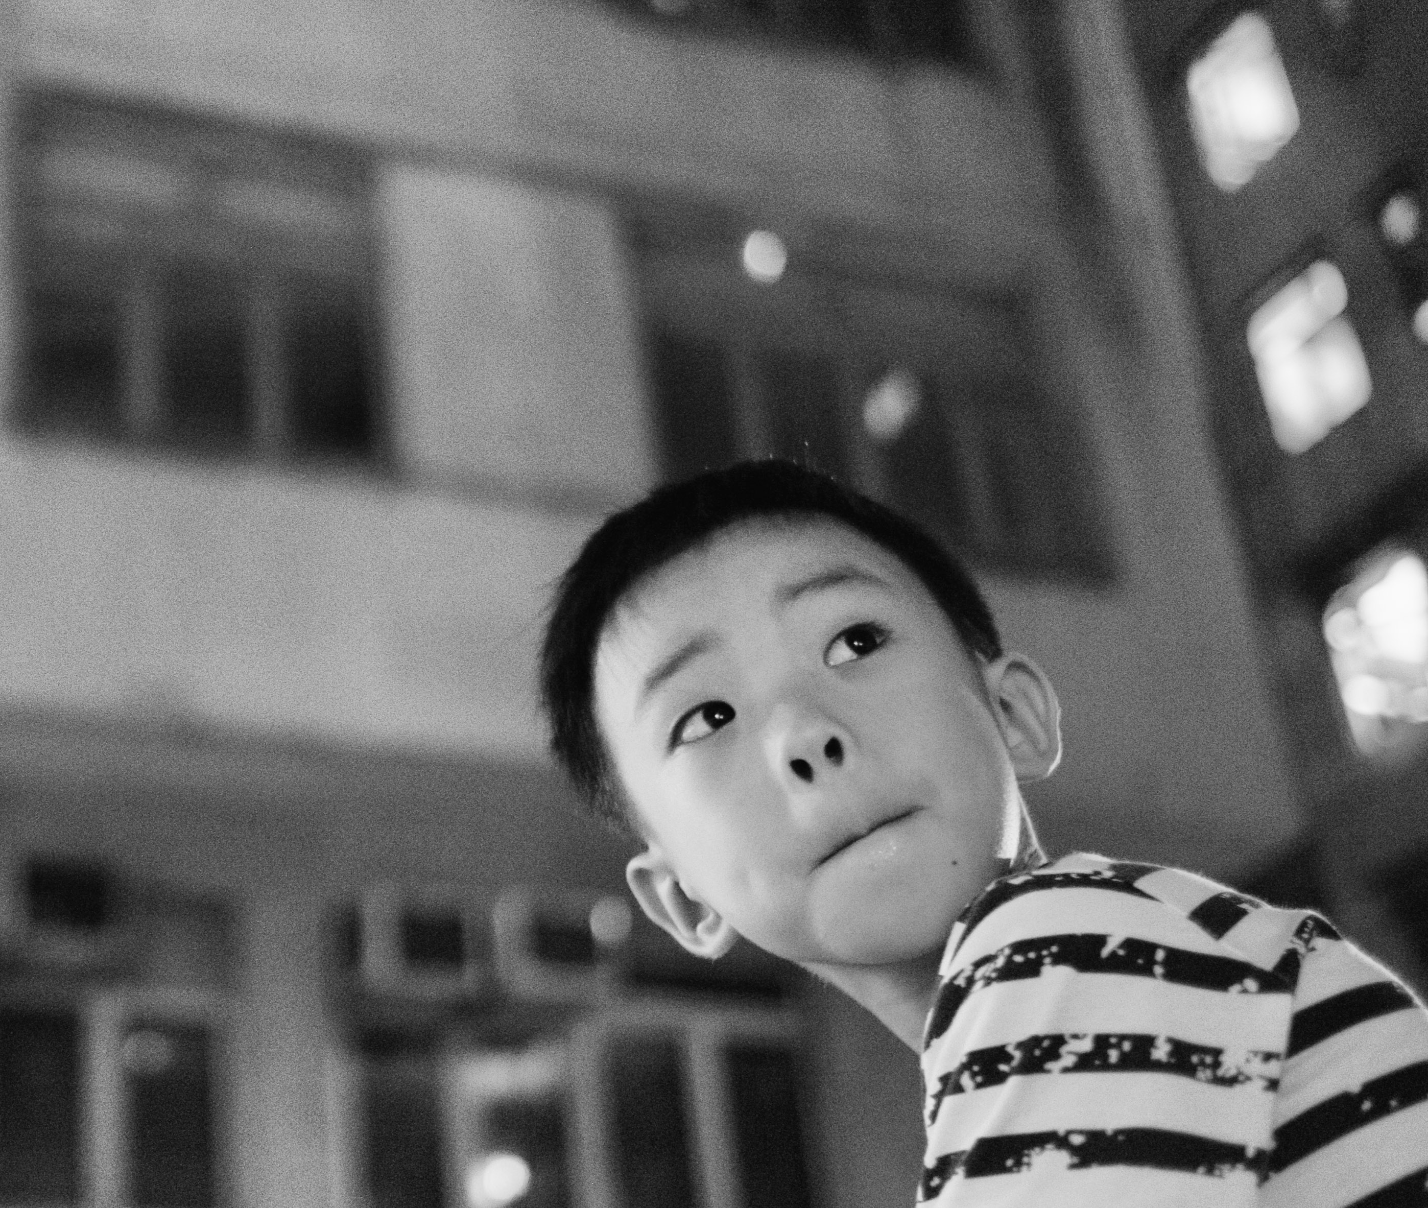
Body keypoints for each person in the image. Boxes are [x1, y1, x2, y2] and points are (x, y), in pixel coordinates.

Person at [538, 459, 1428, 1205]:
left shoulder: (1064, 942)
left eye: (853, 641)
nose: (803, 733)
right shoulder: (1031, 1027)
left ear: (1014, 714)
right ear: (681, 895)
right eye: (707, 715)